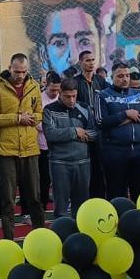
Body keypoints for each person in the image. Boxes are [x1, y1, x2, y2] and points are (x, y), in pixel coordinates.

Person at [0, 53, 45, 240]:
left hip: (30, 148)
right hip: (6, 150)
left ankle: (41, 237)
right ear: (9, 68)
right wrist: (18, 118)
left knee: (35, 197)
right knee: (8, 200)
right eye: (17, 71)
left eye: (24, 71)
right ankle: (9, 240)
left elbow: (39, 113)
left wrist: (33, 118)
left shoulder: (34, 86)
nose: (20, 75)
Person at [98, 63, 140, 201]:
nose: (124, 79)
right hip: (115, 151)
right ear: (111, 77)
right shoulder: (103, 95)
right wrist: (125, 114)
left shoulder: (139, 94)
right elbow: (101, 122)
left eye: (127, 75)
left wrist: (133, 117)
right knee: (117, 192)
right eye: (120, 76)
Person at [43, 79, 97, 219]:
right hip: (60, 163)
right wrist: (75, 132)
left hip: (83, 162)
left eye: (74, 96)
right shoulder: (49, 110)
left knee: (81, 207)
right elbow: (50, 134)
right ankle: (61, 231)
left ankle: (80, 231)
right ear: (60, 93)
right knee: (61, 207)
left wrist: (72, 134)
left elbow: (95, 133)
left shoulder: (84, 108)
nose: (71, 100)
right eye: (67, 96)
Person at [68, 49, 107, 197]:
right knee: (84, 165)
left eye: (92, 60)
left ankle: (100, 198)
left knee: (99, 165)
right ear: (80, 63)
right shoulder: (75, 82)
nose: (91, 63)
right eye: (87, 60)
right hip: (82, 130)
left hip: (99, 130)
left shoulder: (100, 81)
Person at [37, 70, 61, 213]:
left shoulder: (61, 99)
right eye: (52, 90)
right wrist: (52, 129)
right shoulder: (39, 99)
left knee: (59, 178)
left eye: (57, 90)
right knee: (44, 178)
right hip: (43, 145)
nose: (55, 93)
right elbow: (36, 122)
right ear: (47, 85)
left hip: (59, 145)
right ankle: (42, 205)